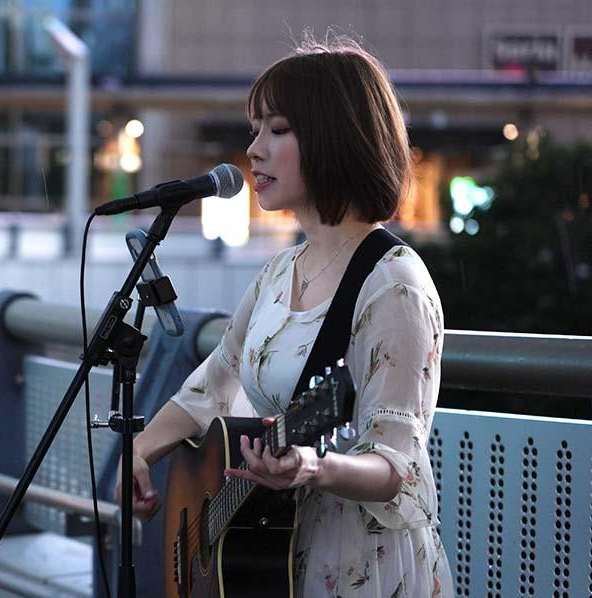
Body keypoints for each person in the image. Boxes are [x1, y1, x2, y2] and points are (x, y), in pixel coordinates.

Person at [117, 36, 454, 597]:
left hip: (357, 566)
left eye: (277, 130)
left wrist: (314, 467)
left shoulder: (393, 283)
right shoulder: (279, 272)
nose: (253, 150)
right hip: (271, 559)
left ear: (334, 138)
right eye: (256, 130)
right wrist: (140, 450)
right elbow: (213, 384)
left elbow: (399, 466)